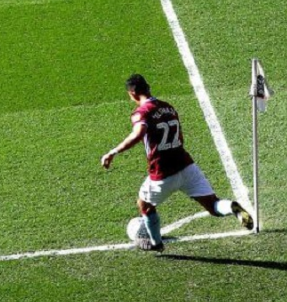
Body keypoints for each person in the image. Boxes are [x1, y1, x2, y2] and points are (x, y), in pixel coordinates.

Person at [101, 74, 253, 252]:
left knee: (144, 205)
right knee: (213, 205)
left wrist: (113, 152)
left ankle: (156, 243)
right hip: (187, 167)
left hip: (162, 173)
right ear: (148, 88)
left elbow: (138, 134)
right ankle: (231, 208)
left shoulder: (141, 113)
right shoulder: (168, 107)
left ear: (132, 93)